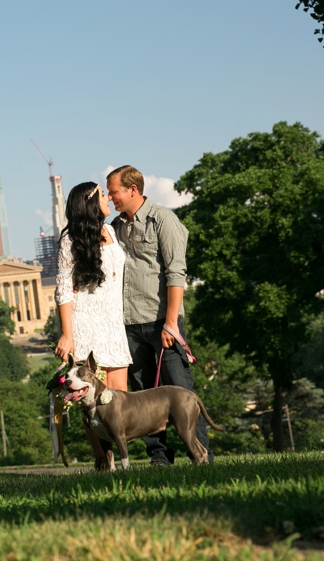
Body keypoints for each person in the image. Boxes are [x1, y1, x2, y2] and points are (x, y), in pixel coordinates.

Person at [106, 165, 213, 466]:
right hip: (129, 325)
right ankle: (159, 459)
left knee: (181, 394)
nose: (110, 196)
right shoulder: (115, 228)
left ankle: (202, 458)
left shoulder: (163, 220)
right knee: (141, 398)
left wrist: (170, 323)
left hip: (162, 324)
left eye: (113, 190)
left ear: (132, 190)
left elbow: (177, 274)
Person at [53, 181, 132, 469]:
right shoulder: (69, 241)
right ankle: (103, 460)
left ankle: (120, 461)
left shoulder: (109, 230)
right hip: (85, 324)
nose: (108, 198)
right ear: (89, 203)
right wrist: (67, 334)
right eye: (102, 195)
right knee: (91, 401)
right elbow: (63, 289)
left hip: (113, 324)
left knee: (118, 398)